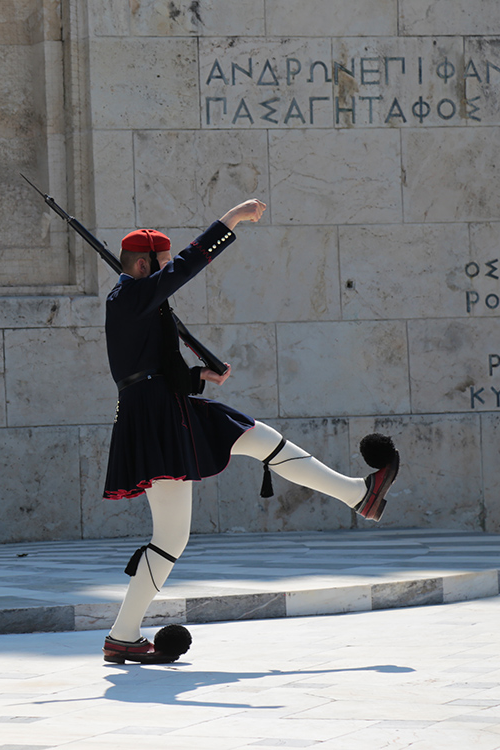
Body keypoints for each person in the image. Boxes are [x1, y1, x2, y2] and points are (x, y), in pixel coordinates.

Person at [100, 199, 400, 665]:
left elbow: (154, 371)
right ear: (143, 265)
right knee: (172, 536)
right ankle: (122, 634)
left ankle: (356, 494)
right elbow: (184, 268)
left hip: (168, 408)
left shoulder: (140, 303)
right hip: (157, 421)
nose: (166, 275)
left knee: (254, 437)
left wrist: (201, 376)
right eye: (159, 266)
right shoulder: (129, 297)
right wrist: (230, 221)